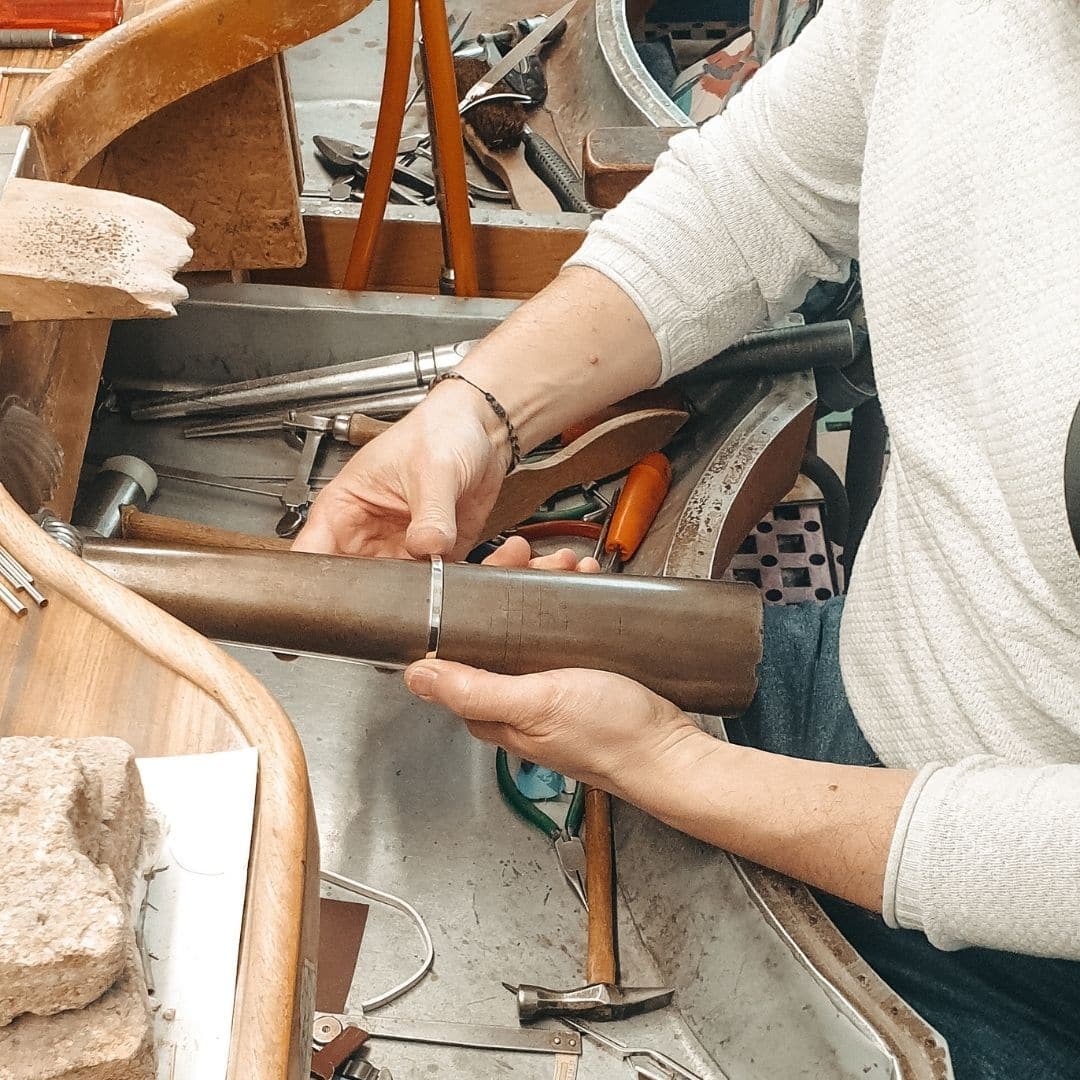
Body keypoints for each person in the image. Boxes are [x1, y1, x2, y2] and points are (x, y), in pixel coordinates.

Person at [295, 0, 1080, 1074]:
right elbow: (760, 189)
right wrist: (479, 412)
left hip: (1035, 958)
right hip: (865, 690)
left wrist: (669, 764)